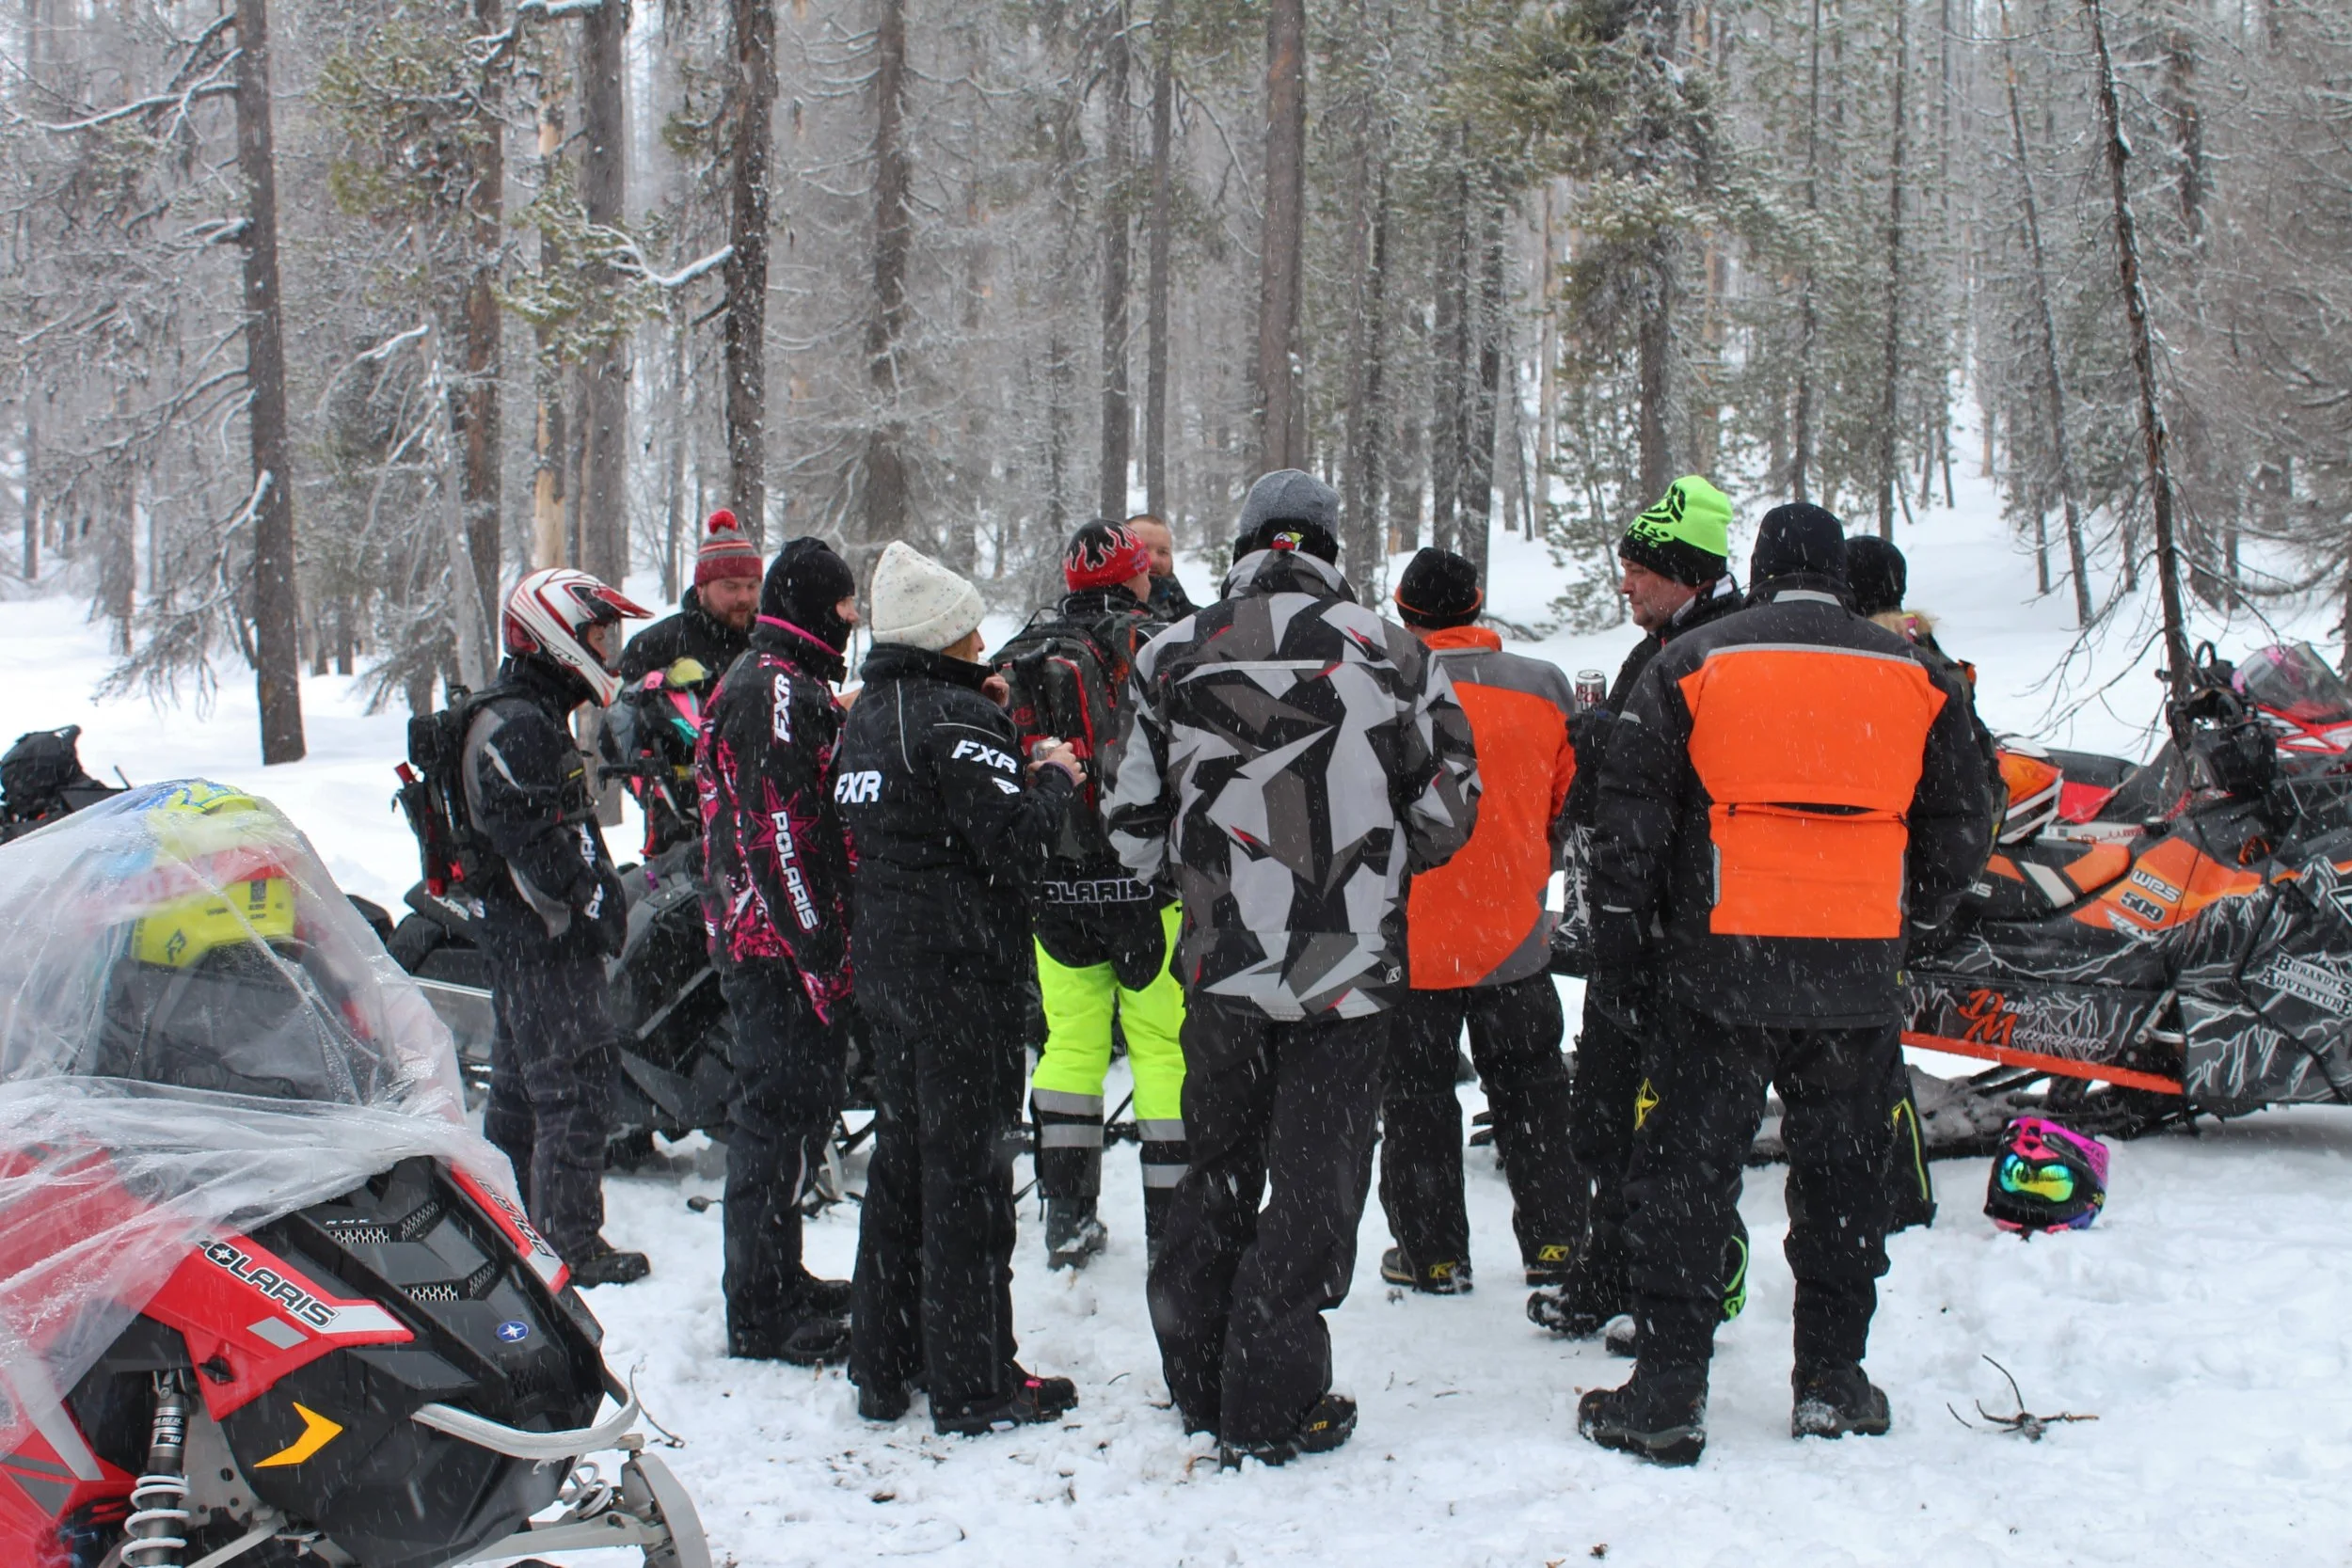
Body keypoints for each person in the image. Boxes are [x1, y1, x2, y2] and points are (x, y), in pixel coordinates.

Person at [1576, 504, 1992, 1465]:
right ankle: (1833, 1381)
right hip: (1854, 967)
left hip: (1721, 966)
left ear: (1759, 570)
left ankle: (1667, 1392)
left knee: (1686, 1179)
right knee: (1843, 1181)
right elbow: (1964, 822)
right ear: (1841, 576)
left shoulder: (1695, 661)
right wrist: (1908, 915)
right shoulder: (1916, 674)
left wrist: (1631, 946)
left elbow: (1628, 824)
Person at [1105, 469, 1481, 1468]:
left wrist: (1204, 878)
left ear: (1242, 548)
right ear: (1327, 547)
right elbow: (1449, 814)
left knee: (1216, 1169)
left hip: (1221, 965)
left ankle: (1200, 1375)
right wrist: (1372, 860)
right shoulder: (1394, 652)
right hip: (1344, 966)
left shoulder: (1169, 651)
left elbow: (1129, 823)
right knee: (1318, 1183)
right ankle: (1268, 1392)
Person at [837, 541, 1086, 1435]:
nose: (983, 643)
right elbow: (1015, 844)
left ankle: (885, 1361)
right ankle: (974, 1380)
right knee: (971, 1180)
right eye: (970, 631)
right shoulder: (958, 720)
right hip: (961, 976)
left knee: (901, 1170)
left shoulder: (869, 715)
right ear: (943, 638)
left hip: (889, 970)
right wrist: (1052, 777)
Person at [1530, 476, 1746, 1344]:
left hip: (1686, 924)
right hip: (1629, 917)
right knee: (1605, 1108)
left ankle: (1693, 1280)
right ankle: (1610, 1269)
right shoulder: (1656, 647)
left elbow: (1692, 782)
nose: (1624, 583)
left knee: (1677, 1125)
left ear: (1684, 571)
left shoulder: (1718, 649)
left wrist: (1607, 749)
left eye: (1638, 570)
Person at [1376, 546, 1582, 1296]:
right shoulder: (1543, 684)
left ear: (1404, 613)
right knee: (1534, 1096)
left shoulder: (1382, 685)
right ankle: (1556, 1241)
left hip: (1411, 938)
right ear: (1477, 603)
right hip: (1513, 936)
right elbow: (1570, 801)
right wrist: (1531, 858)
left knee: (1416, 1102)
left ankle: (1430, 1252)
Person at [696, 538, 864, 1364]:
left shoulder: (785, 683)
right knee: (772, 1123)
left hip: (777, 941)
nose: (851, 621)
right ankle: (759, 1309)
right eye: (843, 607)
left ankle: (778, 1275)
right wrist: (822, 954)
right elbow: (781, 838)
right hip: (775, 950)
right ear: (811, 608)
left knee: (795, 1120)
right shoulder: (772, 691)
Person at [464, 567, 655, 1287]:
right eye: (596, 635)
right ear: (555, 636)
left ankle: (512, 1228)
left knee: (523, 1088)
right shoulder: (521, 725)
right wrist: (593, 898)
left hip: (523, 937)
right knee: (575, 1086)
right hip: (544, 939)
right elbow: (537, 842)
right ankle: (568, 1242)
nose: (606, 650)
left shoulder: (523, 713)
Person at [1011, 521, 1189, 1270]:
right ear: (1134, 573)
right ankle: (1175, 1224)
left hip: (1057, 887)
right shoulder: (1164, 645)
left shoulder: (1025, 649)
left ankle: (1067, 1214)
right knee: (1163, 1047)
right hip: (1147, 886)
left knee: (1070, 1044)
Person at [615, 509, 764, 852]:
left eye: (752, 586)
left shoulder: (769, 643)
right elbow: (619, 735)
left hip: (763, 829)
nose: (744, 598)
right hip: (679, 840)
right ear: (701, 587)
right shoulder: (655, 646)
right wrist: (665, 791)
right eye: (730, 587)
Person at [1125, 512, 1197, 618]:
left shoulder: (1197, 621)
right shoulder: (1103, 618)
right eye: (1142, 550)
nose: (1153, 560)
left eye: (1163, 552)